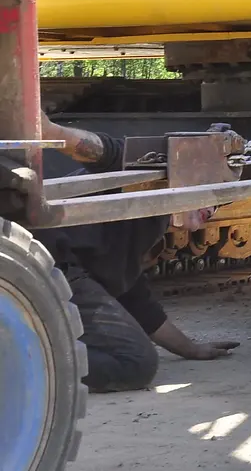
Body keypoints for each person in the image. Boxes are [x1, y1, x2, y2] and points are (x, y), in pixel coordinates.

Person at [37, 114, 240, 393]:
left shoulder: (150, 222)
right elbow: (106, 153)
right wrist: (52, 131)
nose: (212, 208)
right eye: (209, 192)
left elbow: (134, 297)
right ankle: (23, 365)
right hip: (51, 263)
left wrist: (190, 349)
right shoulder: (147, 178)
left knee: (137, 362)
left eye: (219, 203)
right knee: (134, 365)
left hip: (57, 267)